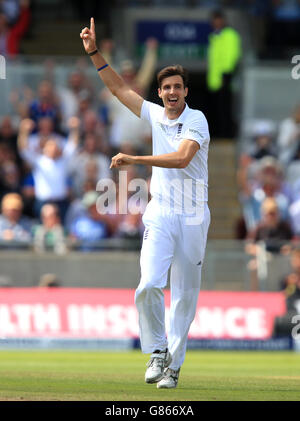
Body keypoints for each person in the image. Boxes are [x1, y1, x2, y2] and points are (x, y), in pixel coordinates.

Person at [80, 18, 211, 389]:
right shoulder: (153, 112)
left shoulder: (196, 120)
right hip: (161, 212)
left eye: (177, 87)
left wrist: (136, 161)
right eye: (166, 87)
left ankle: (174, 367)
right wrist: (93, 52)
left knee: (184, 295)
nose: (171, 92)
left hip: (193, 215)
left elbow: (182, 158)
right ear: (160, 91)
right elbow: (119, 89)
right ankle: (157, 351)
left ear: (185, 92)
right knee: (148, 285)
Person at [206, 9, 241, 138]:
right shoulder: (214, 36)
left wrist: (227, 73)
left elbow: (233, 54)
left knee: (225, 108)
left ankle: (226, 134)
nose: (216, 22)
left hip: (225, 77)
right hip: (214, 80)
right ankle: (217, 133)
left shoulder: (230, 35)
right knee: (216, 108)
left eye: (219, 19)